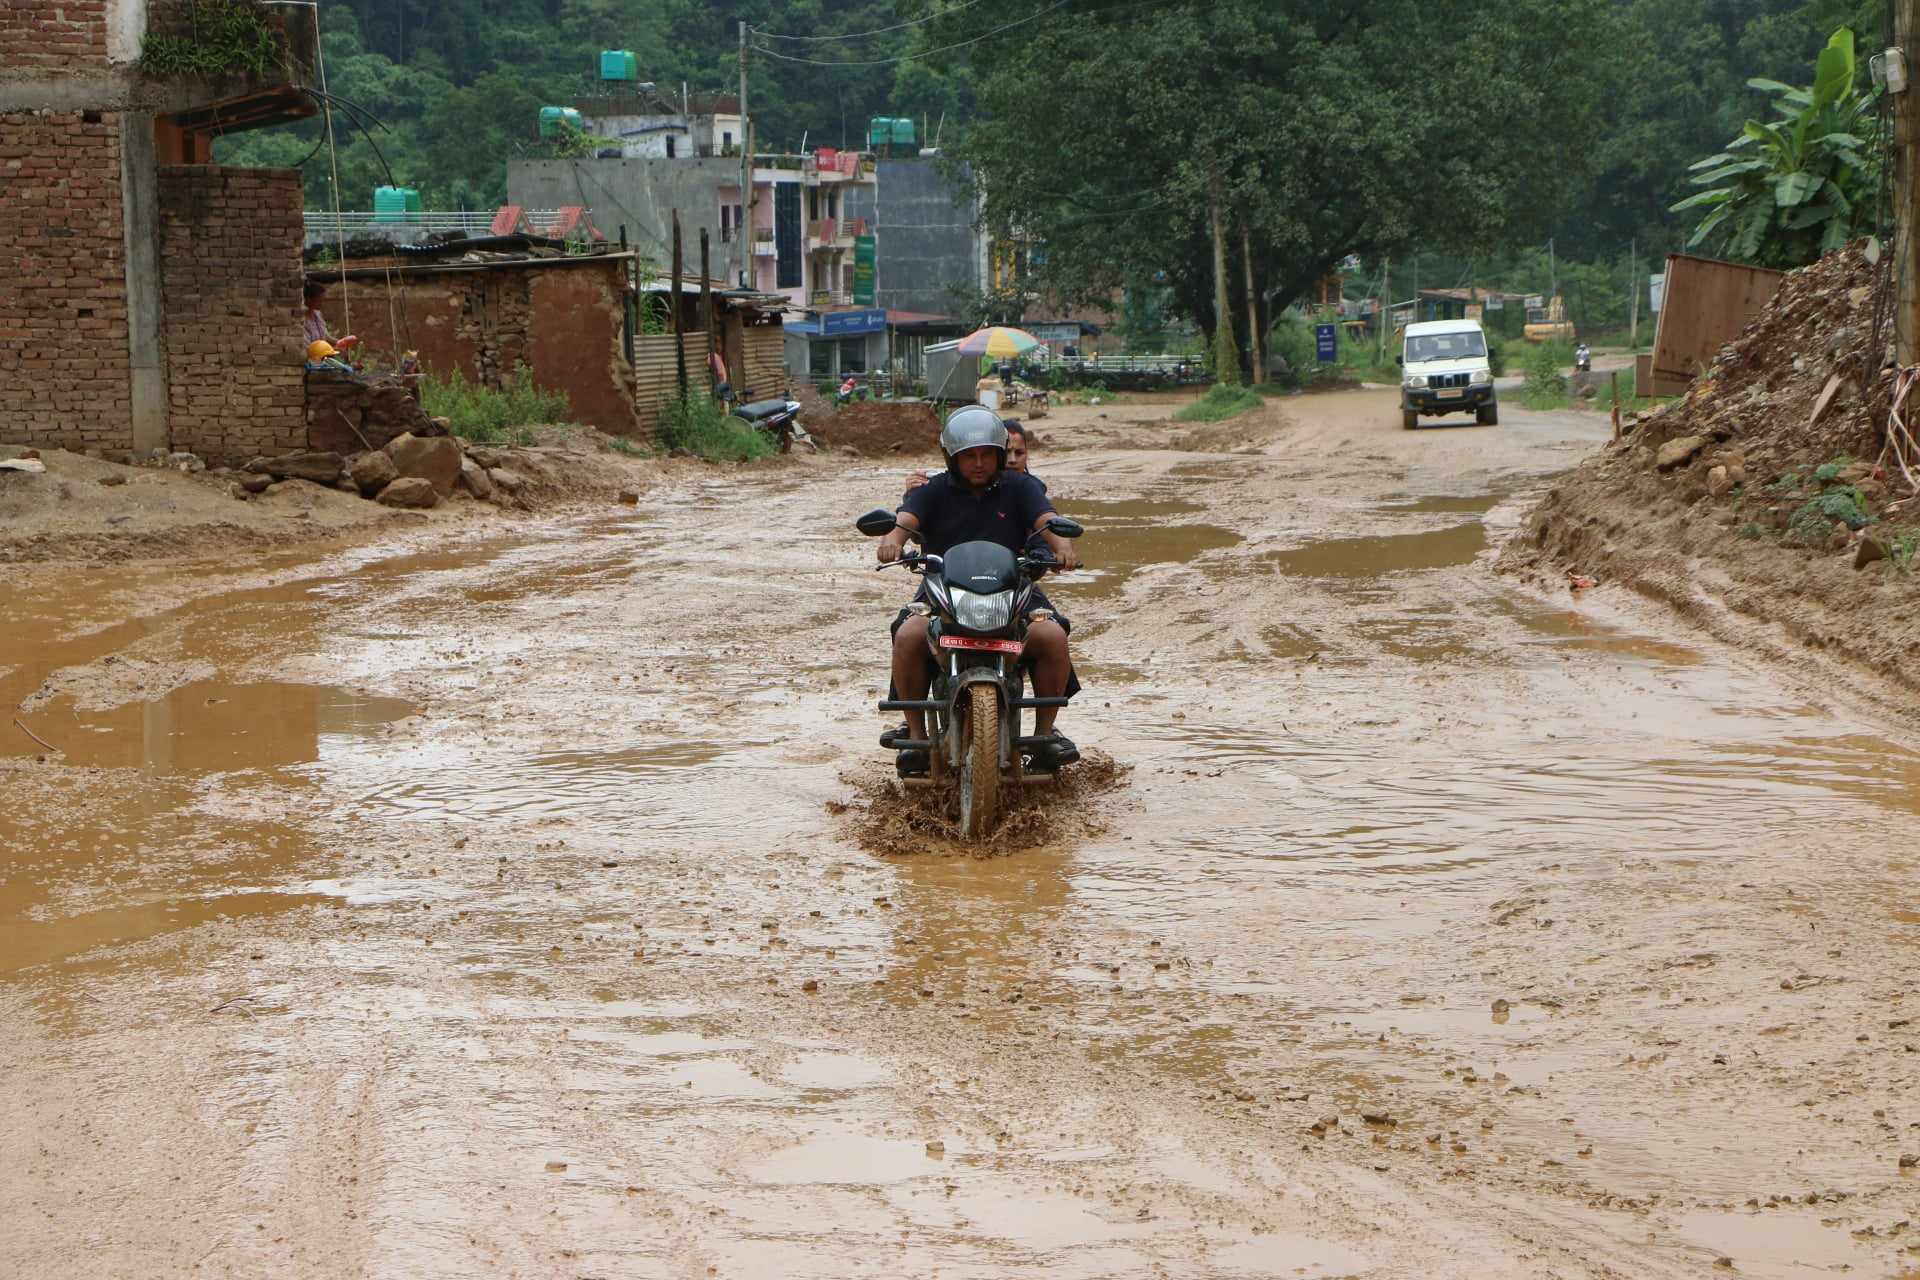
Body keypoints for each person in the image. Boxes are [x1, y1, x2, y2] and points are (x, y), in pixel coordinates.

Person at [878, 406, 1081, 776]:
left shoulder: (1019, 487)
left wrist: (1061, 546)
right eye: (969, 456)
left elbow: (1045, 519)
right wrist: (892, 540)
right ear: (952, 458)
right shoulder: (933, 489)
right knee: (907, 634)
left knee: (1052, 634)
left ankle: (1045, 733)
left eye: (987, 454)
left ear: (1000, 455)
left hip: (1012, 588)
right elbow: (906, 520)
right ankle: (917, 735)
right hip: (942, 591)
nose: (978, 463)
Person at [904, 419, 1041, 494]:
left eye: (1019, 453)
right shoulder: (956, 487)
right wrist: (913, 494)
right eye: (1006, 452)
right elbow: (916, 532)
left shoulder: (1032, 489)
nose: (1012, 460)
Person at [302, 280, 358, 356]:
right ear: (308, 299)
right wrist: (333, 350)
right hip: (313, 360)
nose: (322, 304)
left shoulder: (317, 315)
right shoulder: (302, 321)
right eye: (319, 301)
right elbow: (309, 349)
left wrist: (340, 342)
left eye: (322, 300)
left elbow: (325, 336)